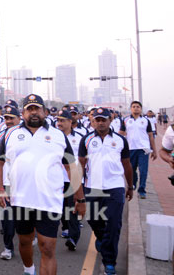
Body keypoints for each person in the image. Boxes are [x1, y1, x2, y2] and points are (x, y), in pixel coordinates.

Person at [0, 94, 85, 275]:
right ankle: (29, 269)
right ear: (23, 112)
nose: (34, 112)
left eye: (37, 108)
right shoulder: (10, 134)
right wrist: (0, 189)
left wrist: (80, 198)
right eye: (30, 109)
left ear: (44, 111)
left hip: (49, 199)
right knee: (25, 242)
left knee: (48, 246)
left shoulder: (57, 135)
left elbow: (71, 167)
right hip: (20, 199)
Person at [79, 107, 134, 275]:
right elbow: (80, 165)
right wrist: (78, 190)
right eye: (98, 120)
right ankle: (101, 239)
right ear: (93, 121)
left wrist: (130, 186)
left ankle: (109, 262)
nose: (101, 122)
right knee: (94, 220)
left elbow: (126, 164)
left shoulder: (120, 140)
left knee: (114, 224)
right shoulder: (86, 140)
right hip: (92, 186)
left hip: (115, 187)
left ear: (110, 120)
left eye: (104, 119)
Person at [0, 105, 20, 260]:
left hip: (24, 183)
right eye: (6, 118)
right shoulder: (3, 135)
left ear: (19, 118)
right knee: (7, 218)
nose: (9, 121)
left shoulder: (28, 134)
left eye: (12, 118)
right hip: (6, 182)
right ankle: (8, 248)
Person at [55, 109, 84, 251]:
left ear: (70, 122)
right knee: (60, 207)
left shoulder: (80, 137)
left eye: (62, 120)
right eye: (58, 120)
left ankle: (73, 237)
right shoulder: (52, 137)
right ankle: (65, 227)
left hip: (73, 178)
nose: (59, 123)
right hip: (57, 178)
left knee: (72, 208)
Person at [119, 101, 157, 199]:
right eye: (134, 106)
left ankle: (142, 190)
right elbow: (121, 133)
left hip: (144, 148)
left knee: (143, 170)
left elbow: (150, 136)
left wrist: (154, 150)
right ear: (130, 108)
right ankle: (133, 184)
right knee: (131, 169)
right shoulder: (126, 120)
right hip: (130, 148)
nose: (136, 108)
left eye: (138, 107)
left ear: (141, 109)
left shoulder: (145, 120)